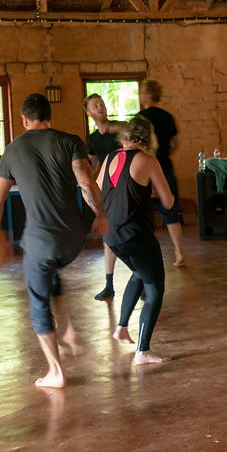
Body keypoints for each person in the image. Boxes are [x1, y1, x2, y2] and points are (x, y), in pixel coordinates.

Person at [0, 93, 107, 388]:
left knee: (38, 303)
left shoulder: (13, 150)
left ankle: (56, 372)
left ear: (24, 119)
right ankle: (70, 333)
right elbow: (86, 181)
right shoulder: (70, 140)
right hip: (72, 239)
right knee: (51, 276)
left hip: (42, 241)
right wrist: (101, 215)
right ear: (49, 116)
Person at [96, 116, 175, 365]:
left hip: (112, 235)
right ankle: (143, 350)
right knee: (155, 291)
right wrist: (148, 190)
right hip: (136, 235)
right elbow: (169, 201)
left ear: (126, 136)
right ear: (148, 138)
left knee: (139, 274)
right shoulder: (148, 160)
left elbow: (98, 189)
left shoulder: (110, 157)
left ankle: (121, 327)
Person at [138, 79, 185, 267]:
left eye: (142, 93)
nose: (141, 97)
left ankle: (147, 256)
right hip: (165, 167)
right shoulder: (167, 117)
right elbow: (176, 143)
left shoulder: (140, 118)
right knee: (171, 211)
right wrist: (164, 154)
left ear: (148, 95)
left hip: (145, 171)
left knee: (143, 213)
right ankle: (179, 253)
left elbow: (138, 146)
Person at [85, 93, 121, 300]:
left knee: (129, 233)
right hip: (107, 188)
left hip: (126, 186)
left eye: (102, 104)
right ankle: (109, 284)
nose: (101, 107)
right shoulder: (92, 139)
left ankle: (142, 280)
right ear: (89, 113)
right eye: (95, 105)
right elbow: (94, 165)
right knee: (108, 234)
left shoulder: (120, 129)